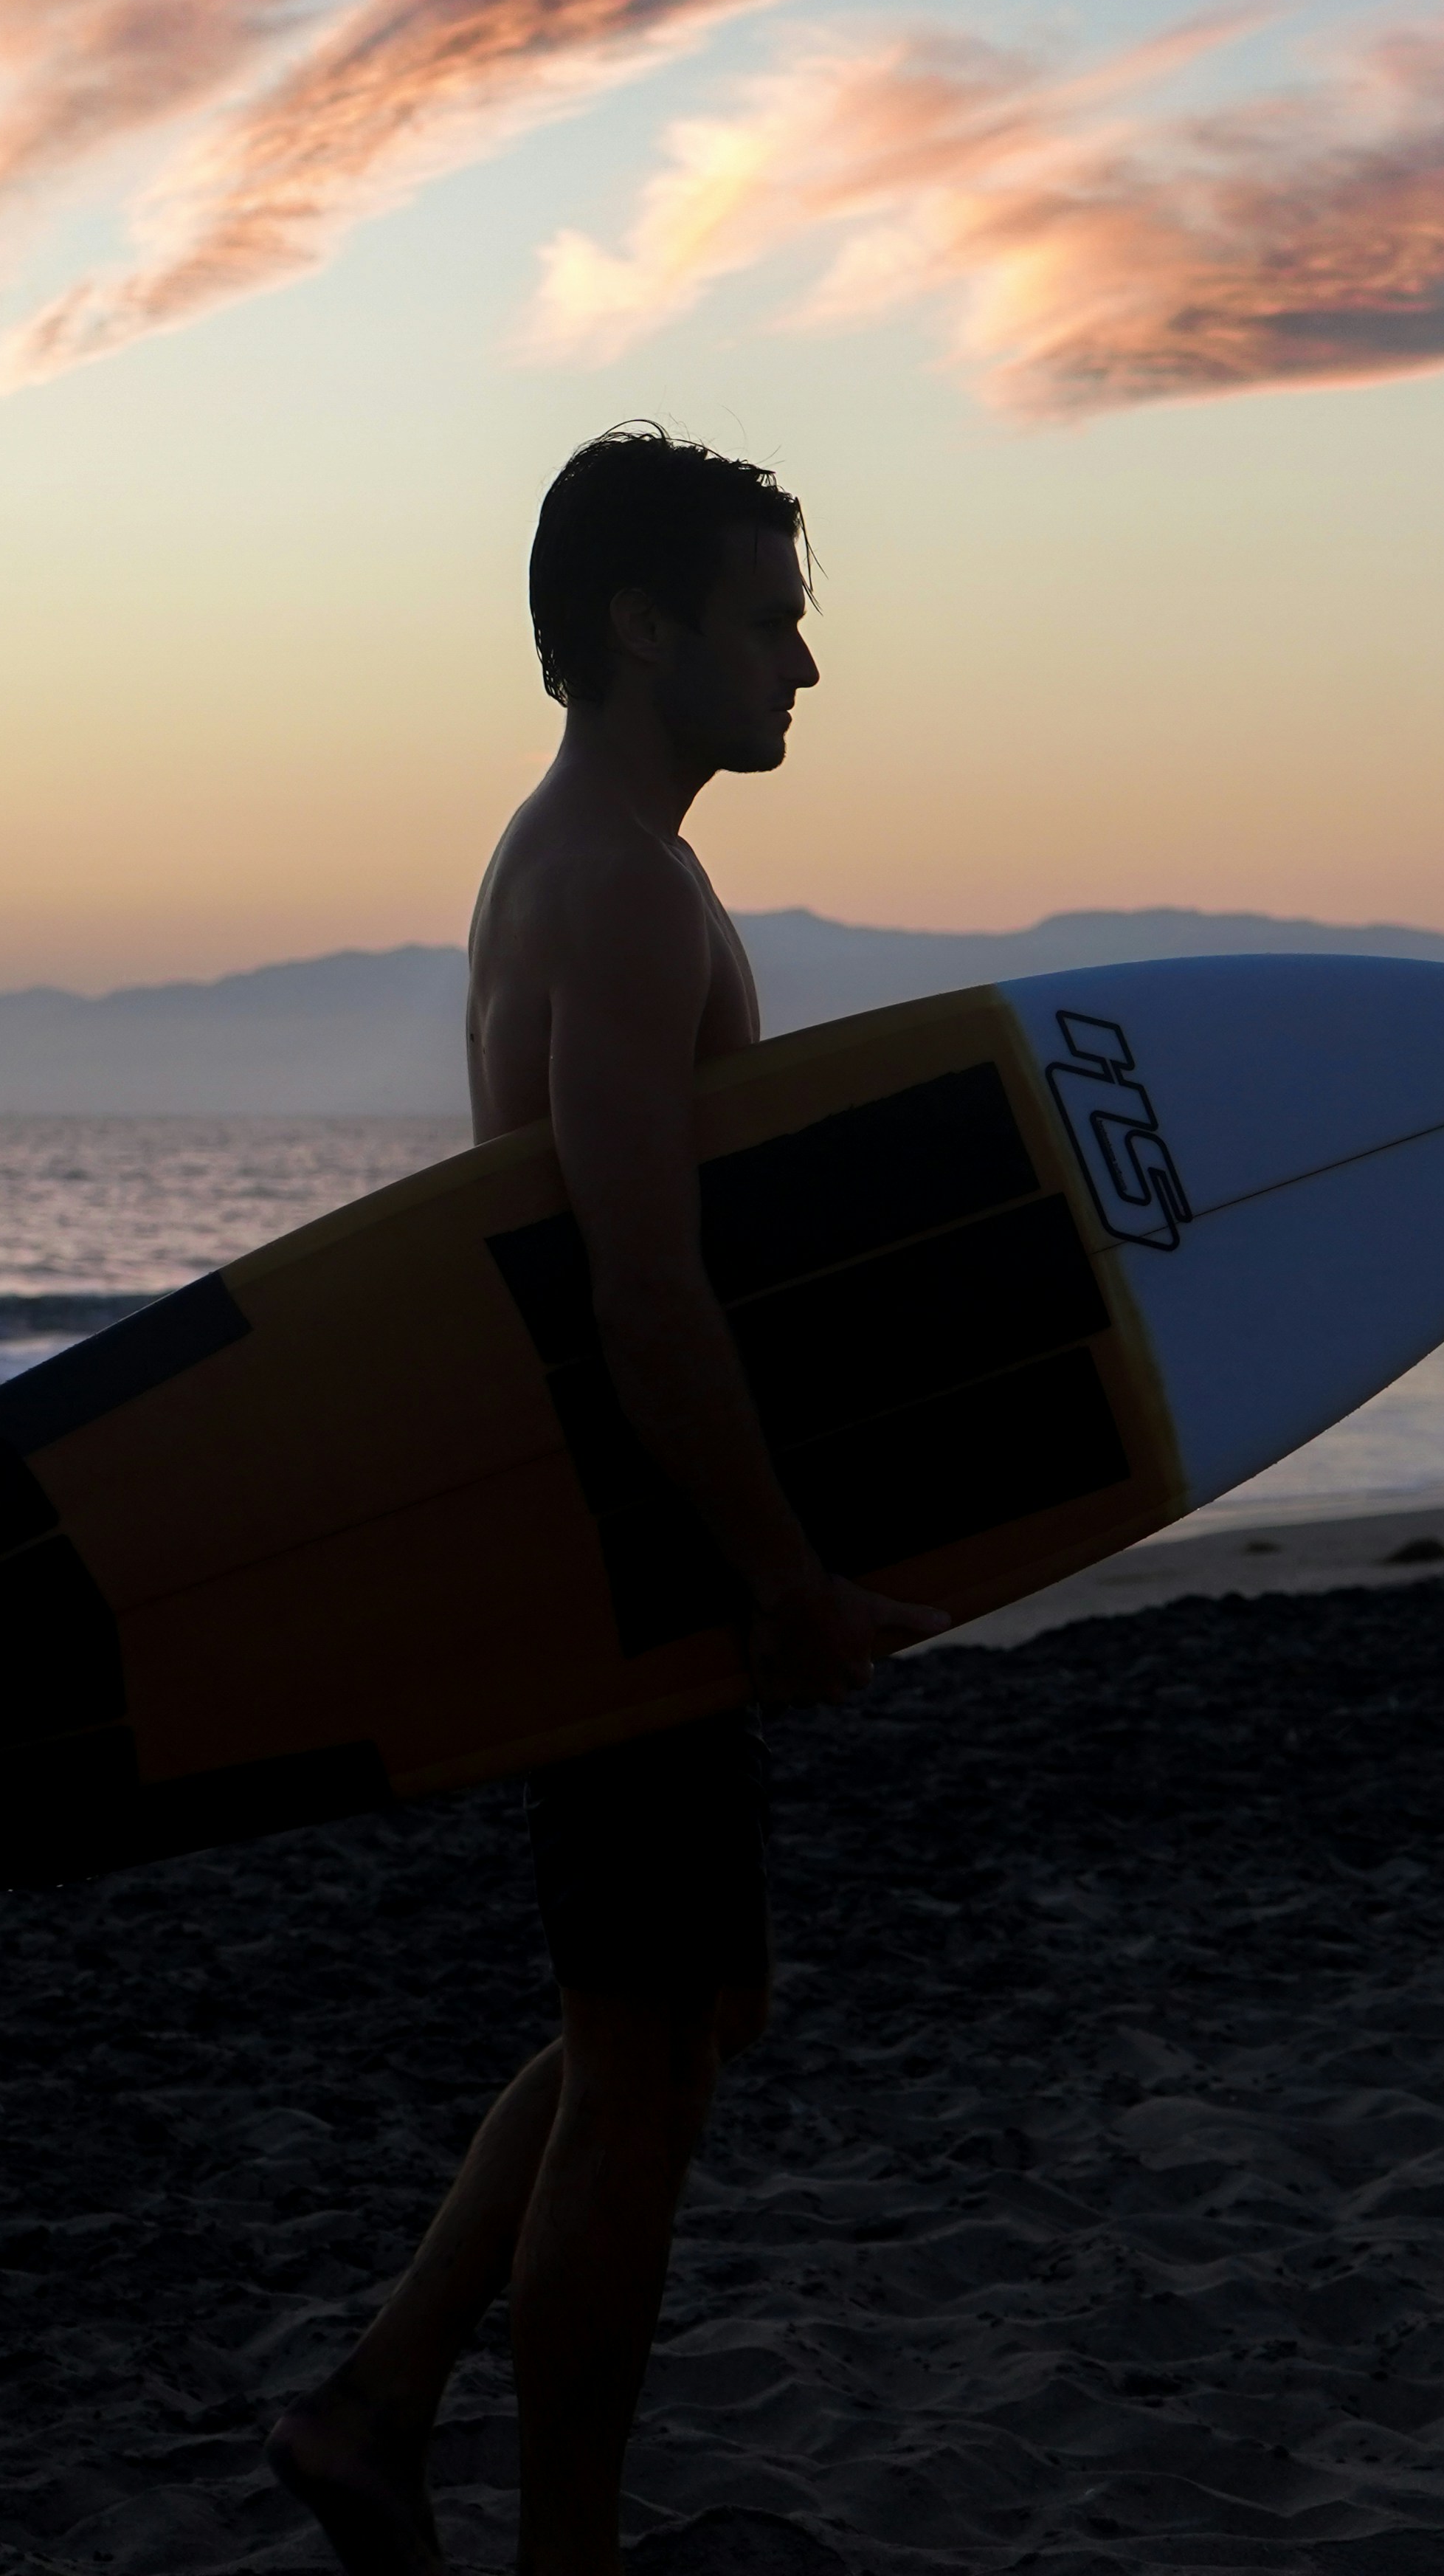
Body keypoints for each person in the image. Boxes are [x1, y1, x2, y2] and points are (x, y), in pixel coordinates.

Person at [269, 426, 947, 2575]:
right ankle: (562, 2551)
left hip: (615, 1540)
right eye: (771, 621)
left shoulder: (571, 860)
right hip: (645, 1553)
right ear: (641, 629)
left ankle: (382, 2396)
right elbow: (640, 1278)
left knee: (667, 2021)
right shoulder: (622, 890)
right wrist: (780, 1579)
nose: (806, 671)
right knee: (641, 2078)